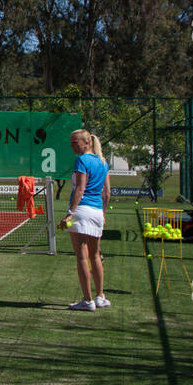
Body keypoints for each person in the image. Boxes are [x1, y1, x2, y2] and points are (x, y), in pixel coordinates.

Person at [59, 128, 111, 311]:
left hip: (81, 211)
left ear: (87, 142)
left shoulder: (82, 160)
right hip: (96, 212)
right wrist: (102, 215)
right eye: (72, 143)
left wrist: (69, 214)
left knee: (82, 257)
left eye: (76, 142)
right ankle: (100, 297)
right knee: (95, 255)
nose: (73, 146)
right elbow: (107, 193)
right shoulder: (103, 162)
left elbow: (80, 190)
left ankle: (88, 301)